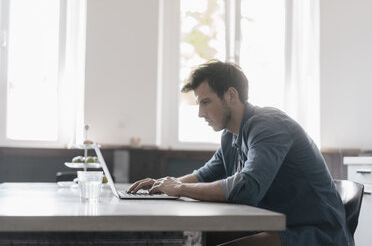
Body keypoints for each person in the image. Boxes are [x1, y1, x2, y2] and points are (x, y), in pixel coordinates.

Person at [127, 60, 354, 246]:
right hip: (281, 227)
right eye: (198, 103)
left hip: (315, 234)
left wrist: (180, 188)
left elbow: (247, 187)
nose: (200, 113)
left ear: (231, 95)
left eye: (206, 102)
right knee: (193, 238)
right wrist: (161, 187)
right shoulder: (230, 135)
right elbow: (205, 174)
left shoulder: (269, 126)